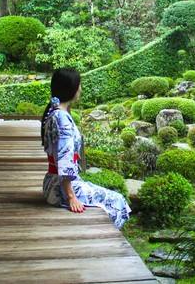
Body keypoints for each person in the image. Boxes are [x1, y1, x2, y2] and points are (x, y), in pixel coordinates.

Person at [41, 68, 131, 229]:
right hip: (62, 189)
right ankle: (106, 240)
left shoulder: (54, 111)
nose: (81, 89)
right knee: (118, 201)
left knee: (108, 197)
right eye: (79, 85)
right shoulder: (62, 119)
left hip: (52, 182)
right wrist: (71, 197)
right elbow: (65, 159)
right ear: (72, 88)